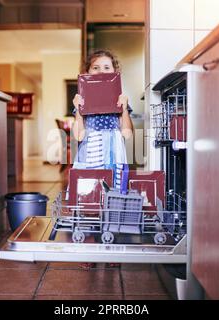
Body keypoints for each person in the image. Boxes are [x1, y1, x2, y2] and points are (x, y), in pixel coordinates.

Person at [71, 49, 134, 269]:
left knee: (114, 193)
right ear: (87, 73)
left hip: (114, 151)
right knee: (90, 194)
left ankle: (111, 243)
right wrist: (78, 109)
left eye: (106, 68)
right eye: (95, 68)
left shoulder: (120, 98)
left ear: (115, 73)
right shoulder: (82, 100)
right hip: (91, 151)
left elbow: (127, 133)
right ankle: (89, 241)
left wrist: (124, 108)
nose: (101, 72)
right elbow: (78, 135)